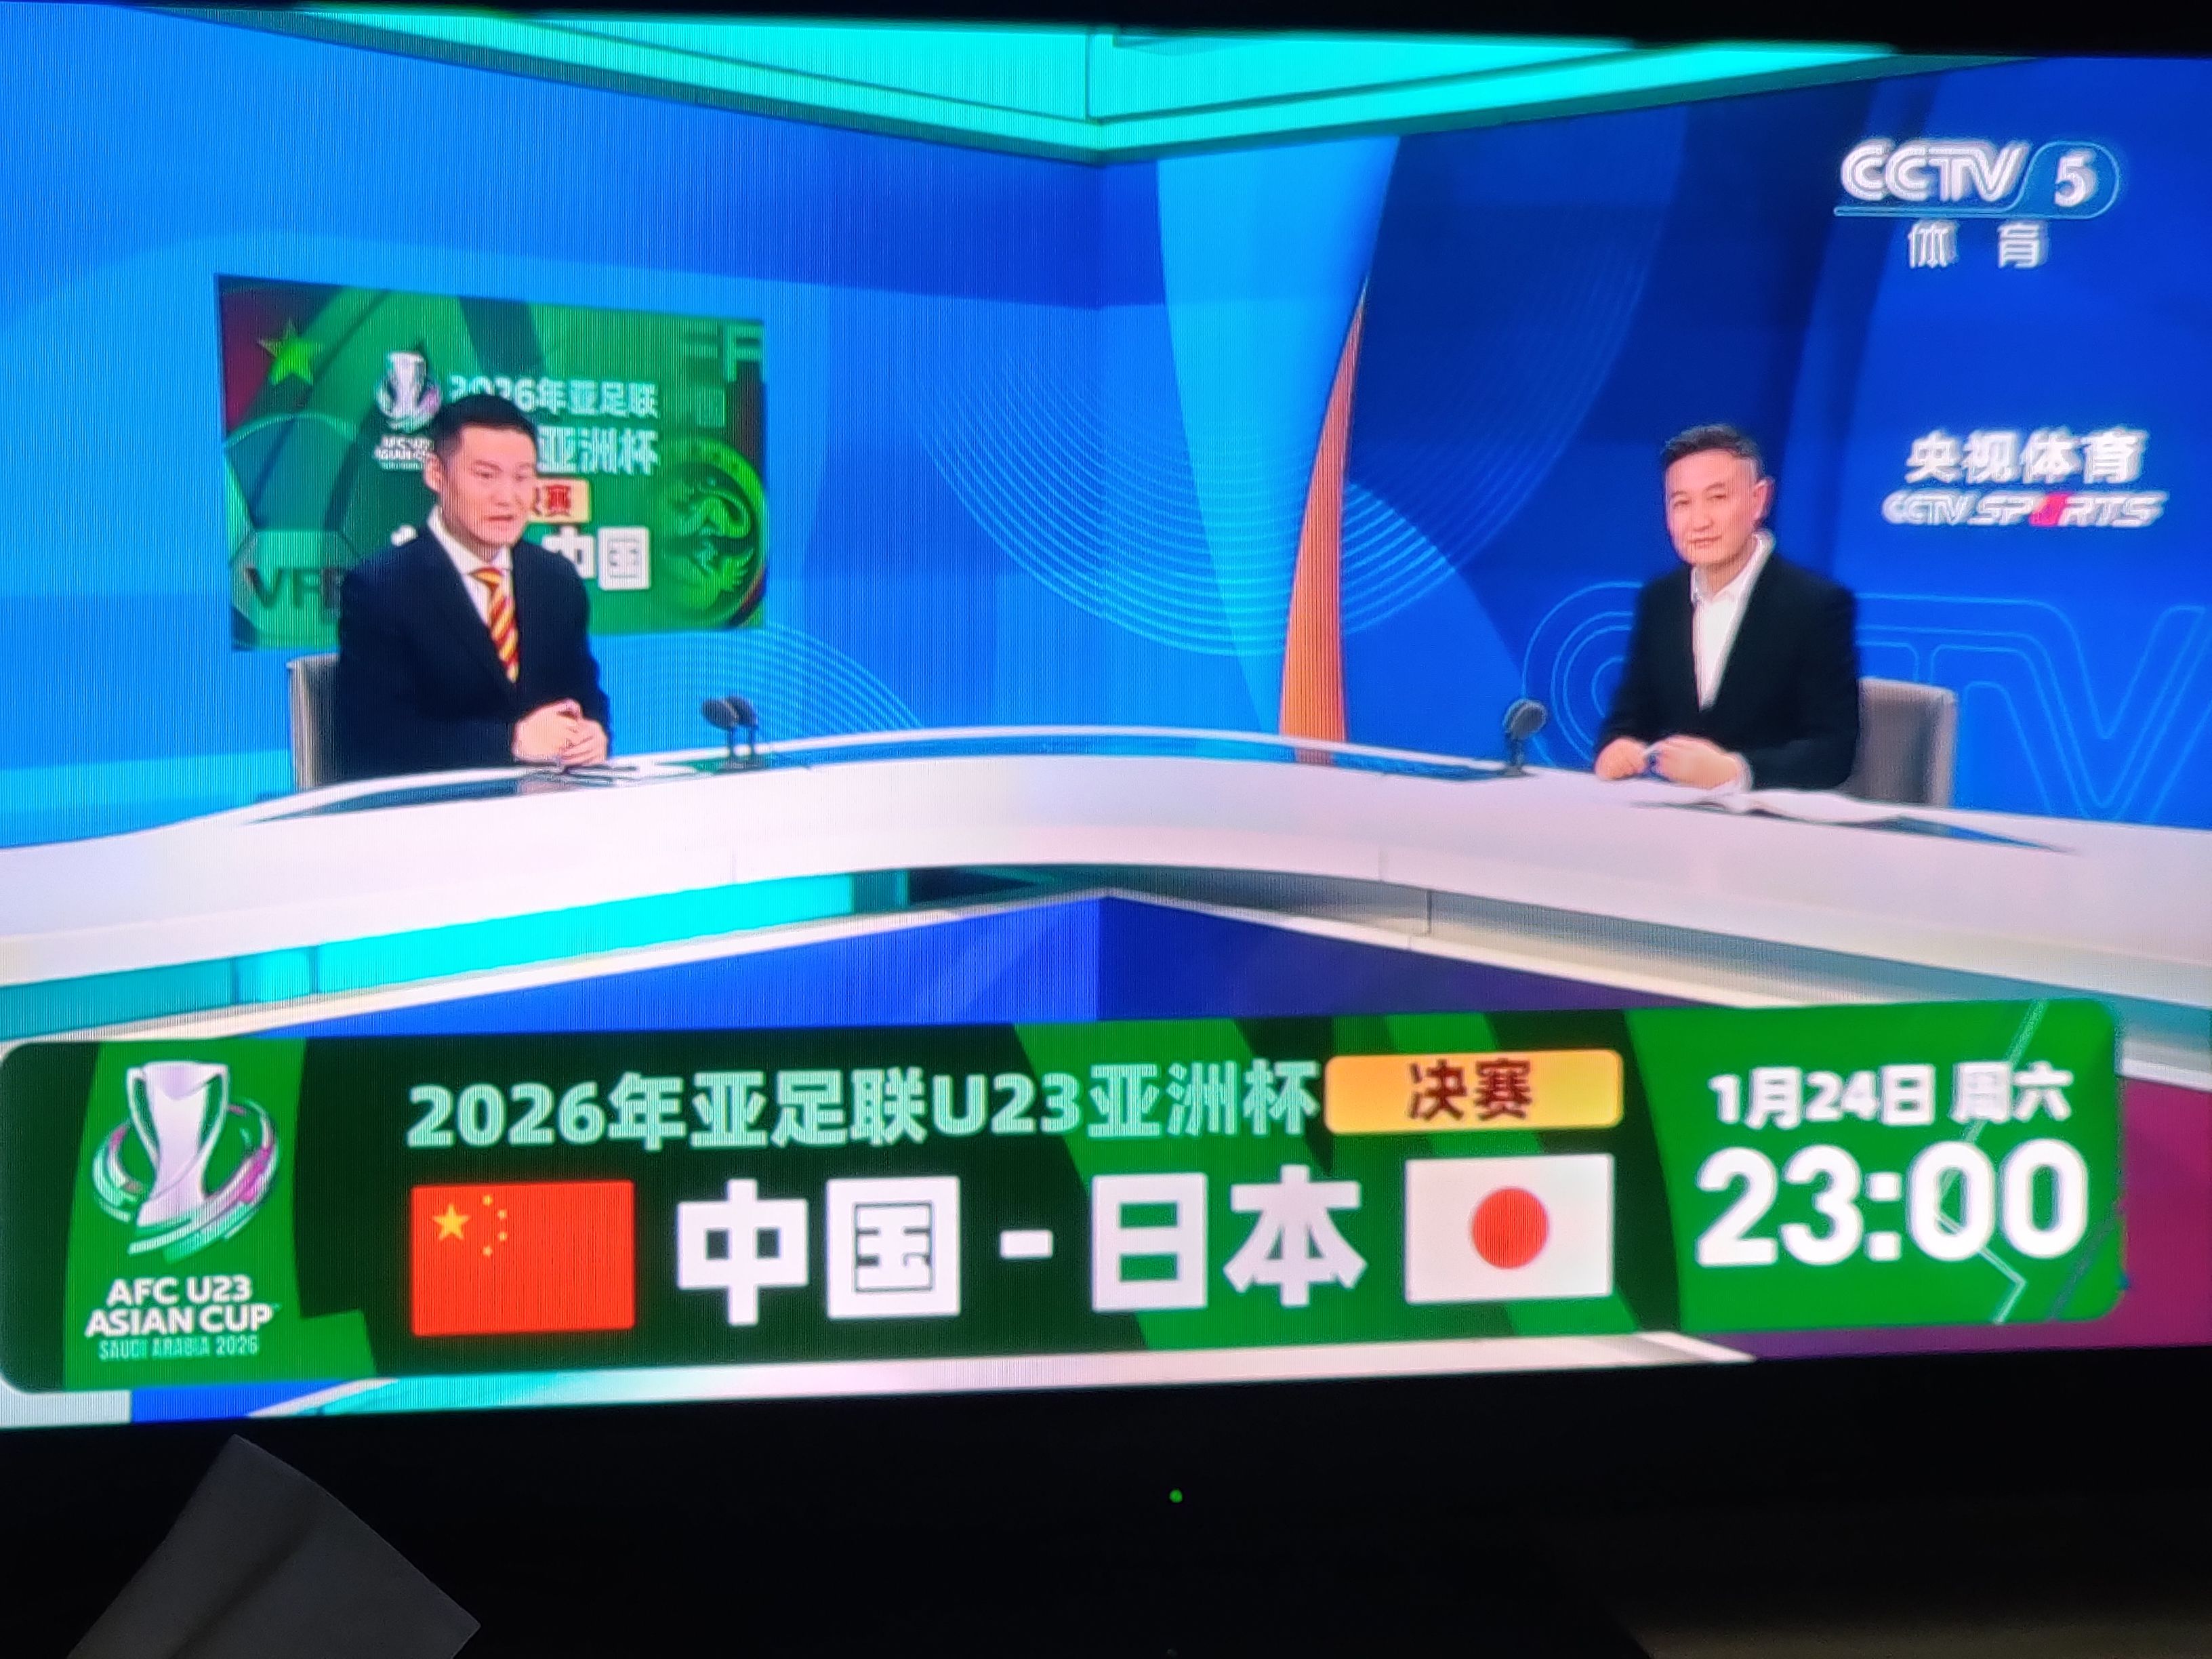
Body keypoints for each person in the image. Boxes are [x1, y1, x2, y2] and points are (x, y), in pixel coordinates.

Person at [334, 394, 610, 782]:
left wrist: (593, 734)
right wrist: (511, 743)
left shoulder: (555, 580)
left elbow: (584, 698)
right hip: (434, 812)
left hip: (549, 807)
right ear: (436, 474)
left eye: (523, 477)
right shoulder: (382, 588)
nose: (508, 498)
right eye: (486, 476)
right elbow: (374, 743)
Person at [1593, 424, 1859, 792]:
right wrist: (1617, 747)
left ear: (1759, 500)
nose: (1699, 521)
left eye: (1717, 498)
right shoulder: (1660, 599)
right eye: (1682, 503)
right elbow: (1629, 718)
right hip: (1672, 813)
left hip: (1770, 818)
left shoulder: (1816, 604)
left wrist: (1735, 771)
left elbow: (1833, 752)